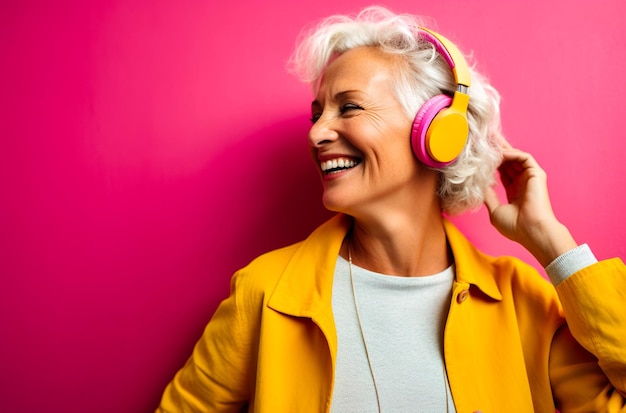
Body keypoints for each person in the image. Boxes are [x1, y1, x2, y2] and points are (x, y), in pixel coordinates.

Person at [156, 6, 626, 412]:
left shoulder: (525, 303)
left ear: (438, 133)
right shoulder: (265, 292)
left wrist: (553, 245)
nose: (317, 133)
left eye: (349, 108)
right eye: (317, 112)